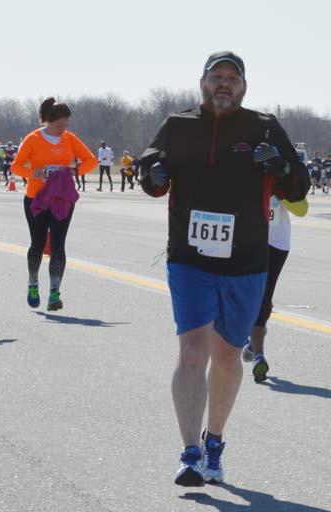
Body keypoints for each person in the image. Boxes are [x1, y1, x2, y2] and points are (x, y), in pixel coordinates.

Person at [139, 51, 310, 487]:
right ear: (202, 82)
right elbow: (150, 170)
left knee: (229, 356)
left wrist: (282, 167)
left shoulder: (264, 126)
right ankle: (190, 454)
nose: (224, 84)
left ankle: (214, 441)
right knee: (193, 351)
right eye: (217, 76)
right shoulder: (178, 126)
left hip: (247, 259)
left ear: (244, 87)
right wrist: (153, 173)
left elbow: (299, 185)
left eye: (233, 78)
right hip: (189, 259)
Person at [11, 97, 97, 311]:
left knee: (58, 244)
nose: (63, 130)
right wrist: (34, 173)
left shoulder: (69, 139)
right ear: (48, 121)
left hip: (62, 199)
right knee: (38, 244)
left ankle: (54, 292)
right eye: (59, 126)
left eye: (66, 126)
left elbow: (91, 160)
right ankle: (33, 283)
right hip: (36, 198)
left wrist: (74, 171)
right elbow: (16, 166)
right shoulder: (33, 139)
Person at [241, 196, 308, 382]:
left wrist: (282, 190)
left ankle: (258, 355)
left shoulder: (285, 168)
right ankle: (254, 341)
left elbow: (302, 209)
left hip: (276, 243)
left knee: (263, 296)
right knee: (251, 295)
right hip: (249, 239)